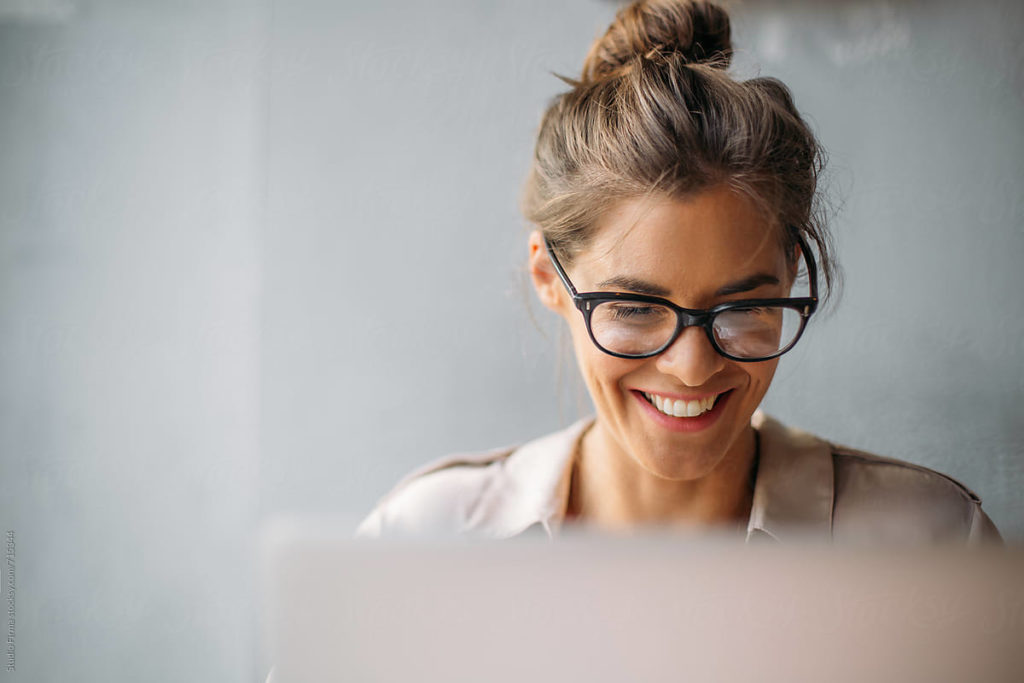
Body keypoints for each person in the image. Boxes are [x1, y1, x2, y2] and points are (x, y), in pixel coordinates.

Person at [355, 0, 1002, 544]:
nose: (692, 368)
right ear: (549, 277)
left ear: (789, 277)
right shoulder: (424, 540)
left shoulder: (931, 541)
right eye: (635, 308)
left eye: (743, 308)